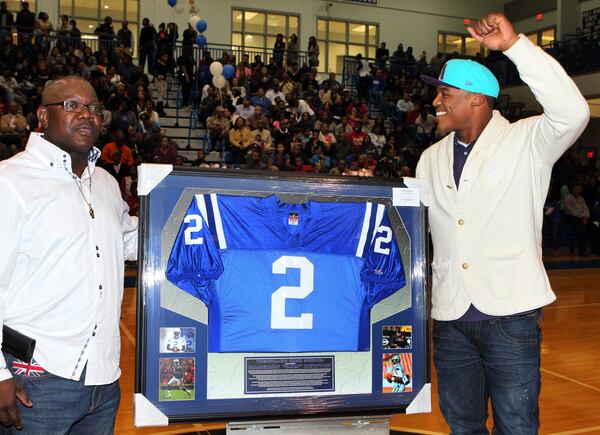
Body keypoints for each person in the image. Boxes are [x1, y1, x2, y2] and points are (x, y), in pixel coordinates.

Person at [415, 13, 589, 433]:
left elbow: (573, 111)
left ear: (477, 98)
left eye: (445, 93)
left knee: (516, 425)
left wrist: (514, 47)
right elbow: (413, 223)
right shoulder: (429, 158)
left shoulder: (528, 141)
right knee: (462, 424)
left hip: (510, 316)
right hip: (451, 317)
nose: (436, 101)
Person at [0, 76, 138, 433]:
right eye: (72, 105)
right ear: (43, 117)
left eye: (94, 109)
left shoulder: (106, 183)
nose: (87, 115)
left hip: (104, 380)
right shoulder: (11, 181)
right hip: (37, 377)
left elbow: (127, 241)